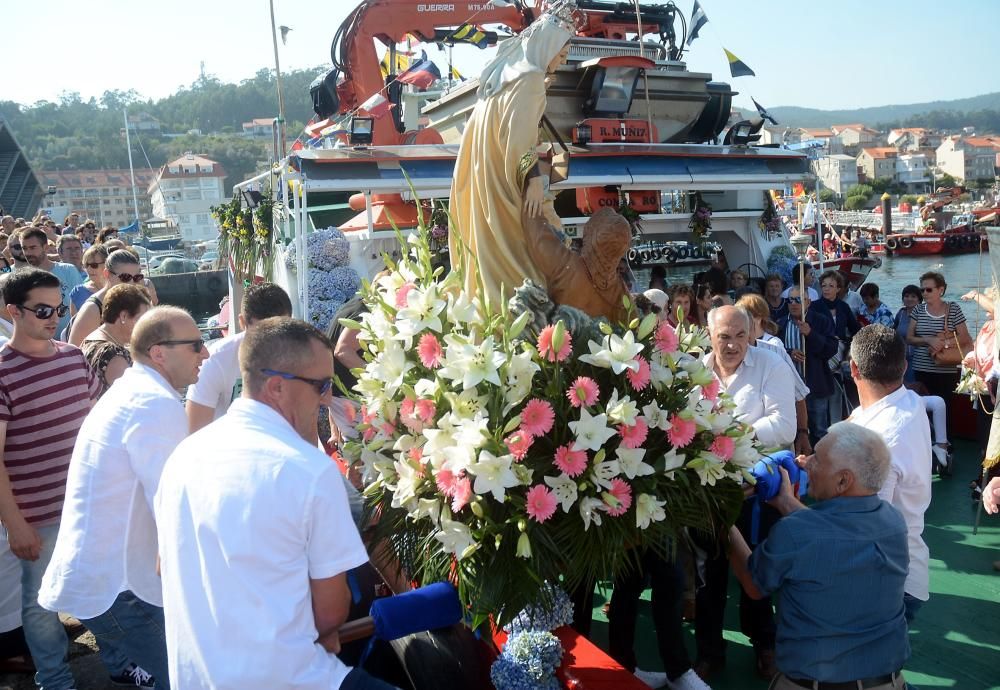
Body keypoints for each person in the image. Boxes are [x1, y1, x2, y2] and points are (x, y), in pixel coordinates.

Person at [155, 318, 396, 690]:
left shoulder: (181, 458)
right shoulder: (310, 471)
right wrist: (326, 631)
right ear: (277, 387)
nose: (327, 398)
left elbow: (165, 568)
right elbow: (331, 611)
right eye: (322, 385)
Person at [39, 307, 209, 689]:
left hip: (113, 579)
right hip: (120, 588)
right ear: (159, 353)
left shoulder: (136, 391)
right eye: (196, 345)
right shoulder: (153, 404)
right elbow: (175, 504)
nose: (206, 354)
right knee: (192, 678)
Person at [0, 269, 153, 690]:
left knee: (106, 590)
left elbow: (98, 427)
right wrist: (15, 524)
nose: (54, 316)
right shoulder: (2, 372)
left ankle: (122, 665)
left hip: (87, 504)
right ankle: (54, 680)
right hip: (38, 515)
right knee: (40, 603)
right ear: (13, 312)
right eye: (42, 309)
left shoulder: (72, 357)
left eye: (59, 306)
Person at [728, 422, 909, 690]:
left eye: (817, 459)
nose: (806, 462)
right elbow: (833, 531)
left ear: (843, 480)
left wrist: (723, 522)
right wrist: (786, 501)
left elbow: (754, 585)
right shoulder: (894, 522)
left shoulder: (795, 534)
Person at [694, 306, 796, 682]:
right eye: (724, 337)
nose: (733, 344)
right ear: (710, 335)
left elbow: (786, 424)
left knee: (759, 572)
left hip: (758, 495)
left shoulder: (772, 364)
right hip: (707, 494)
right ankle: (709, 651)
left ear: (751, 331)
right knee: (709, 576)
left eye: (740, 335)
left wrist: (729, 437)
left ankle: (764, 646)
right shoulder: (694, 374)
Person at [448, 6, 573, 306]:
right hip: (507, 185)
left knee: (490, 255)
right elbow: (518, 144)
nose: (563, 59)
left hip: (486, 180)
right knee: (524, 263)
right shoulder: (530, 80)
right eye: (562, 51)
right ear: (548, 44)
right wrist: (532, 180)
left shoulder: (503, 80)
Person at [847, 325, 932, 623]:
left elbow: (865, 527)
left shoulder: (879, 442)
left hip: (884, 582)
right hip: (908, 567)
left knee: (869, 668)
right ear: (904, 366)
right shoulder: (909, 402)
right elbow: (859, 417)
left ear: (853, 368)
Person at [185, 282, 293, 433]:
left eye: (279, 331)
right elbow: (194, 429)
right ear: (242, 322)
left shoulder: (299, 356)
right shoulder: (216, 359)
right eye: (261, 332)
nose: (272, 342)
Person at [523, 207, 632, 322]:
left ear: (589, 234)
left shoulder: (568, 266)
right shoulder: (621, 293)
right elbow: (634, 329)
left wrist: (530, 192)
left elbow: (537, 234)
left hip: (562, 338)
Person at [737, 294, 811, 456]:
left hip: (775, 451)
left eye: (742, 334)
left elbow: (799, 394)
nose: (736, 342)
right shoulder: (716, 360)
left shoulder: (774, 348)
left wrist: (803, 432)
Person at [780, 288, 838, 442]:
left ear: (808, 302)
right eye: (790, 300)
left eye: (798, 300)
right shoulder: (781, 323)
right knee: (793, 432)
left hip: (815, 385)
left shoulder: (821, 321)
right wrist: (789, 352)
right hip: (790, 388)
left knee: (819, 432)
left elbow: (831, 349)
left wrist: (811, 334)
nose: (793, 304)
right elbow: (774, 351)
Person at [906, 271, 973, 402]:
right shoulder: (918, 310)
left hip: (946, 369)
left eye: (929, 289)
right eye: (922, 290)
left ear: (941, 290)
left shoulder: (953, 309)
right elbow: (909, 338)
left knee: (945, 407)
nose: (924, 293)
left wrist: (944, 343)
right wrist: (928, 339)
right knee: (923, 408)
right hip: (921, 369)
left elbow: (964, 337)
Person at [80, 284, 152, 397]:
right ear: (123, 316)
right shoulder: (114, 356)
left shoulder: (90, 339)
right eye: (142, 319)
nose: (147, 326)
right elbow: (131, 400)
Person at [68, 249, 144, 346]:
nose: (132, 283)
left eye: (137, 278)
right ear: (107, 274)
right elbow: (75, 352)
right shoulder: (93, 309)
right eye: (125, 277)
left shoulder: (138, 301)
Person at [18, 227, 82, 337]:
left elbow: (81, 305)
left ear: (45, 247)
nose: (28, 253)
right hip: (40, 342)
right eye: (25, 248)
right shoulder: (22, 278)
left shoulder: (68, 270)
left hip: (70, 338)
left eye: (33, 248)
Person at [894, 284, 922, 384]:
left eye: (913, 296)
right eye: (906, 296)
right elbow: (894, 332)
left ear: (919, 300)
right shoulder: (901, 313)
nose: (909, 299)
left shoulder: (922, 315)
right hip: (900, 358)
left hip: (917, 359)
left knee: (912, 386)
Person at [68, 244, 108, 313]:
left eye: (94, 265)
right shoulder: (78, 292)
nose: (89, 269)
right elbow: (75, 322)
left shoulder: (117, 289)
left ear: (107, 264)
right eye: (86, 265)